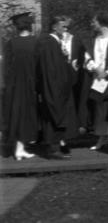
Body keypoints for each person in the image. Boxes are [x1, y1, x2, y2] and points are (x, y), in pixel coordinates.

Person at [78, 11, 108, 152]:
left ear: (101, 23)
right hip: (98, 80)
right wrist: (96, 69)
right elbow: (87, 58)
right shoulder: (93, 39)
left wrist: (107, 72)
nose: (92, 24)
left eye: (94, 21)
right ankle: (102, 138)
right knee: (100, 109)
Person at [37, 16, 75, 159]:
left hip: (57, 86)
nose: (65, 30)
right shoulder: (49, 43)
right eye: (63, 26)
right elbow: (50, 69)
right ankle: (53, 150)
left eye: (66, 27)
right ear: (54, 27)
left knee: (58, 116)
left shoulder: (54, 43)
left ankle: (56, 146)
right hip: (54, 87)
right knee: (55, 116)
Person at [3, 12, 37, 160]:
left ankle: (19, 148)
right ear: (29, 26)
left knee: (16, 114)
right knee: (27, 114)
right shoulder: (36, 42)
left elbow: (6, 66)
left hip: (14, 85)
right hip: (31, 83)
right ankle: (20, 149)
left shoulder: (11, 43)